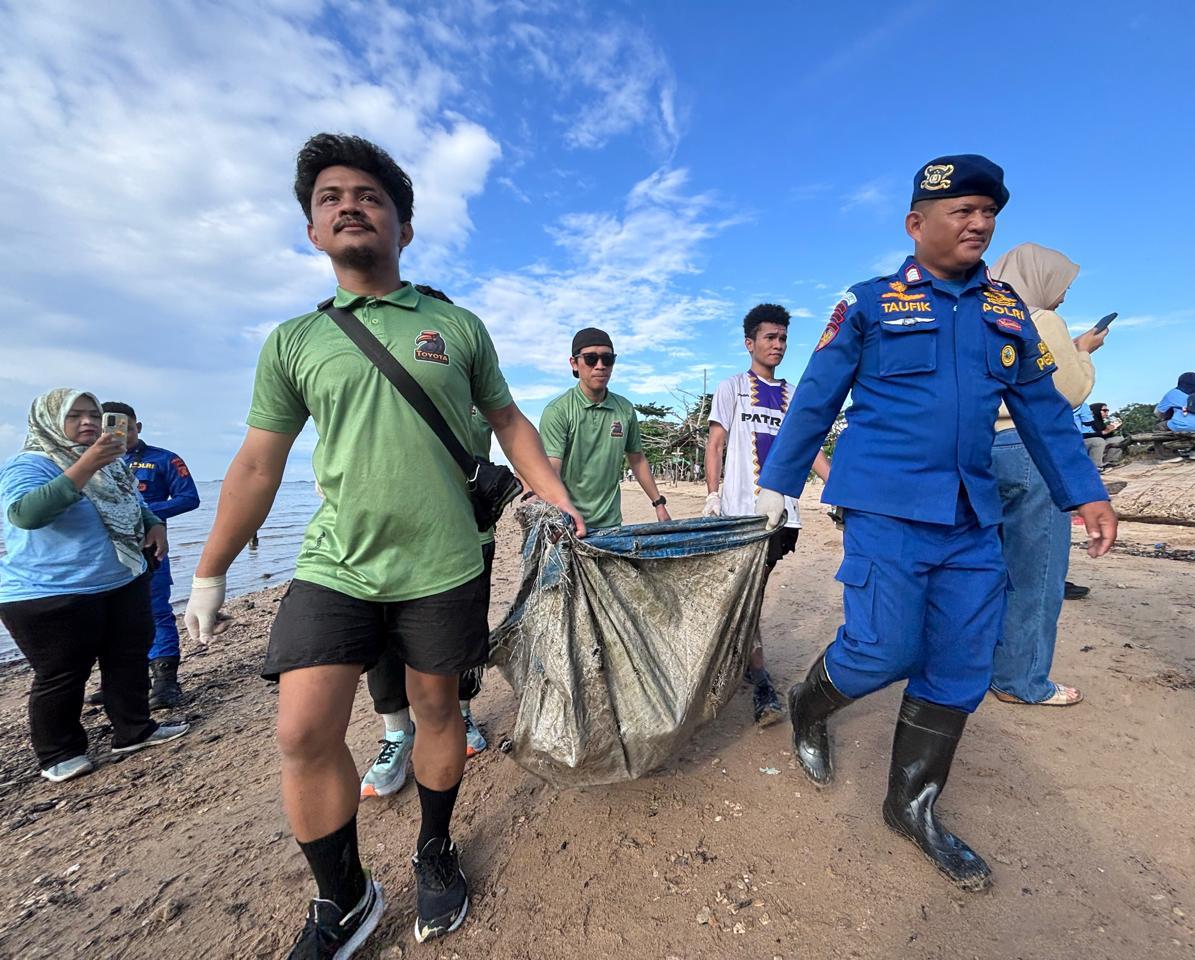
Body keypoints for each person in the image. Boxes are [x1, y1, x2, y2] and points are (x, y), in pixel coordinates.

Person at [181, 133, 584, 957]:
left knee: (437, 708)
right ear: (312, 231)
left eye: (368, 196)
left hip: (443, 562)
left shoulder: (454, 325)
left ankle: (435, 846)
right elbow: (260, 463)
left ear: (403, 226)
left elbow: (508, 423)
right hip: (337, 563)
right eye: (329, 198)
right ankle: (344, 897)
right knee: (301, 730)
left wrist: (558, 496)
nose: (348, 205)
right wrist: (210, 569)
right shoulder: (295, 341)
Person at [760, 155, 1116, 890]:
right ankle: (808, 703)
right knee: (882, 649)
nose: (979, 223)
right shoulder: (869, 303)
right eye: (962, 210)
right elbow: (815, 401)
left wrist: (1086, 491)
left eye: (989, 211)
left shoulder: (1007, 312)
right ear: (916, 223)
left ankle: (910, 804)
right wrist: (778, 488)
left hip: (970, 512)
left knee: (958, 664)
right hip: (886, 505)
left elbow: (1044, 410)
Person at [0, 390, 189, 783]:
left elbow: (130, 502)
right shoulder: (31, 464)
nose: (87, 422)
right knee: (63, 672)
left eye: (93, 415)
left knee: (127, 658)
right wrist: (84, 466)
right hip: (49, 591)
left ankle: (134, 730)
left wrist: (153, 521)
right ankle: (60, 753)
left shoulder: (113, 465)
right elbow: (26, 514)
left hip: (120, 578)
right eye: (75, 416)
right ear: (50, 422)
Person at [986, 243, 1106, 708]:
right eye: (1064, 287)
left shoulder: (981, 315)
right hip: (1030, 447)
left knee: (987, 568)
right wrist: (1083, 351)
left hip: (980, 450)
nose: (1064, 297)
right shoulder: (1040, 319)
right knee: (1036, 573)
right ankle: (1021, 680)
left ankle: (977, 664)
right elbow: (1066, 392)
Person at [359, 402, 497, 802]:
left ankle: (464, 712)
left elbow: (509, 426)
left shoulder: (479, 401)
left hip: (466, 539)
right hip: (389, 539)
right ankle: (397, 733)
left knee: (463, 635)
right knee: (384, 636)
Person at [703, 303, 831, 725]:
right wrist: (712, 494)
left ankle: (739, 662)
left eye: (782, 339)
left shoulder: (794, 395)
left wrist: (837, 486)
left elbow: (809, 448)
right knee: (749, 592)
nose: (777, 346)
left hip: (782, 515)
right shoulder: (732, 388)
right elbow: (716, 444)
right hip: (741, 513)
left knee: (753, 592)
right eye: (770, 338)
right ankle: (759, 680)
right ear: (750, 343)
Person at [99, 401, 201, 709]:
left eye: (127, 428)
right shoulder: (89, 463)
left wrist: (143, 512)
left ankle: (166, 682)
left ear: (137, 427)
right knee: (107, 618)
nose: (121, 434)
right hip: (101, 553)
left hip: (148, 548)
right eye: (112, 428)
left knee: (155, 611)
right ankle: (120, 683)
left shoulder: (164, 459)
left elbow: (189, 498)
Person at [539, 327, 672, 529]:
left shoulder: (625, 409)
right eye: (591, 359)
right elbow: (552, 470)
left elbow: (637, 459)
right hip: (569, 522)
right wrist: (560, 515)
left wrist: (658, 504)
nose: (600, 366)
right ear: (574, 363)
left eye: (607, 359)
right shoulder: (558, 411)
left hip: (611, 523)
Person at [1081, 401, 1125, 468]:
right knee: (1098, 441)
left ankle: (1110, 462)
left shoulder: (1100, 422)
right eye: (1104, 410)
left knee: (1119, 439)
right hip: (1082, 443)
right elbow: (1083, 434)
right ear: (1096, 410)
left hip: (1097, 443)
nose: (1107, 412)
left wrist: (1111, 429)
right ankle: (1095, 466)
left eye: (1107, 410)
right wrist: (1103, 432)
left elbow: (1105, 435)